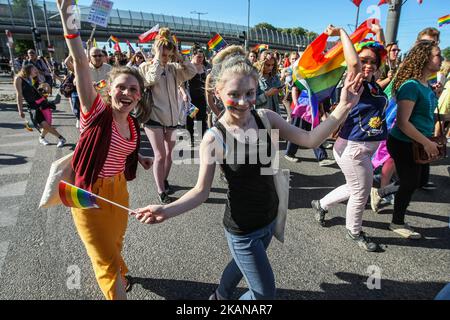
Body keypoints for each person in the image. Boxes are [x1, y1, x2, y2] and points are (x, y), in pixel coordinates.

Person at [134, 45, 364, 300]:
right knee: (264, 296)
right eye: (234, 94)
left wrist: (343, 107)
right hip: (242, 230)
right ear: (217, 92)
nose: (244, 102)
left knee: (240, 266)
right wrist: (165, 210)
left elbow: (309, 139)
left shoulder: (266, 118)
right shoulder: (213, 139)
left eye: (250, 93)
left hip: (269, 218)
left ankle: (220, 295)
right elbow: (201, 192)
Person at [57, 0, 153, 300]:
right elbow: (81, 62)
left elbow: (118, 147)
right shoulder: (94, 112)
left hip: (119, 190)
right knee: (105, 260)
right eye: (121, 87)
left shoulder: (133, 124)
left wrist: (138, 155)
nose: (126, 93)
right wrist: (69, 18)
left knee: (116, 243)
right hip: (89, 194)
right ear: (108, 89)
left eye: (132, 90)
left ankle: (121, 271)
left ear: (139, 96)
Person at [311, 24, 388, 252]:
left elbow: (383, 54)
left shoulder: (373, 85)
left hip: (363, 147)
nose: (368, 65)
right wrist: (343, 32)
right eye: (364, 60)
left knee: (354, 187)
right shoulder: (355, 82)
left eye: (373, 61)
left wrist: (379, 34)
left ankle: (321, 204)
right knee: (361, 192)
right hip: (353, 148)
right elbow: (353, 63)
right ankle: (354, 231)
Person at [386, 40, 443, 239]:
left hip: (419, 142)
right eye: (438, 55)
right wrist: (428, 143)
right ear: (425, 58)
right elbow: (402, 122)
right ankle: (397, 222)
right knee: (410, 183)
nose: (442, 58)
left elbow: (426, 115)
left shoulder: (427, 85)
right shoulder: (411, 86)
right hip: (403, 142)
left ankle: (382, 191)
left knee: (419, 181)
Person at [139, 28, 196, 204]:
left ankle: (163, 178)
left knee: (170, 153)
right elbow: (150, 80)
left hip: (172, 119)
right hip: (153, 117)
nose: (164, 54)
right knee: (160, 155)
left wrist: (180, 57)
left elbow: (192, 72)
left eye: (167, 51)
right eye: (161, 50)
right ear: (156, 49)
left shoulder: (174, 68)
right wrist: (157, 60)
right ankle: (161, 190)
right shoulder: (145, 66)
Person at [14, 64, 66, 147]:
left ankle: (41, 138)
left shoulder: (33, 78)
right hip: (33, 106)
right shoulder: (18, 79)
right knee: (44, 124)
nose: (37, 72)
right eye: (34, 70)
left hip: (42, 103)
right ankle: (61, 138)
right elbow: (19, 95)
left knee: (47, 124)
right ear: (28, 70)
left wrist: (46, 87)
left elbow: (43, 90)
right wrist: (20, 109)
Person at [185, 45, 209, 145]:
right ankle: (190, 139)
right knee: (190, 119)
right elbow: (181, 83)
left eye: (202, 57)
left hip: (202, 98)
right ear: (193, 56)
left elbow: (207, 83)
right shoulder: (189, 67)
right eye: (198, 57)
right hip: (191, 98)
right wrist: (183, 94)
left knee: (202, 119)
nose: (201, 59)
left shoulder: (204, 67)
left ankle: (203, 139)